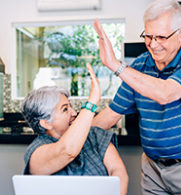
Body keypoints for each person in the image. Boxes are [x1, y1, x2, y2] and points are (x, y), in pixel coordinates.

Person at [92, 0, 181, 194]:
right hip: (152, 168)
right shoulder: (139, 66)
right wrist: (70, 137)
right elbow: (112, 113)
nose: (153, 45)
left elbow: (166, 93)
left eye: (161, 37)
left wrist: (115, 65)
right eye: (148, 36)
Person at [21, 63, 128, 195]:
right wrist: (91, 102)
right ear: (46, 123)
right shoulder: (36, 153)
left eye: (70, 106)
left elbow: (118, 171)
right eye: (65, 109)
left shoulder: (94, 135)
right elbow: (67, 151)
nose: (73, 112)